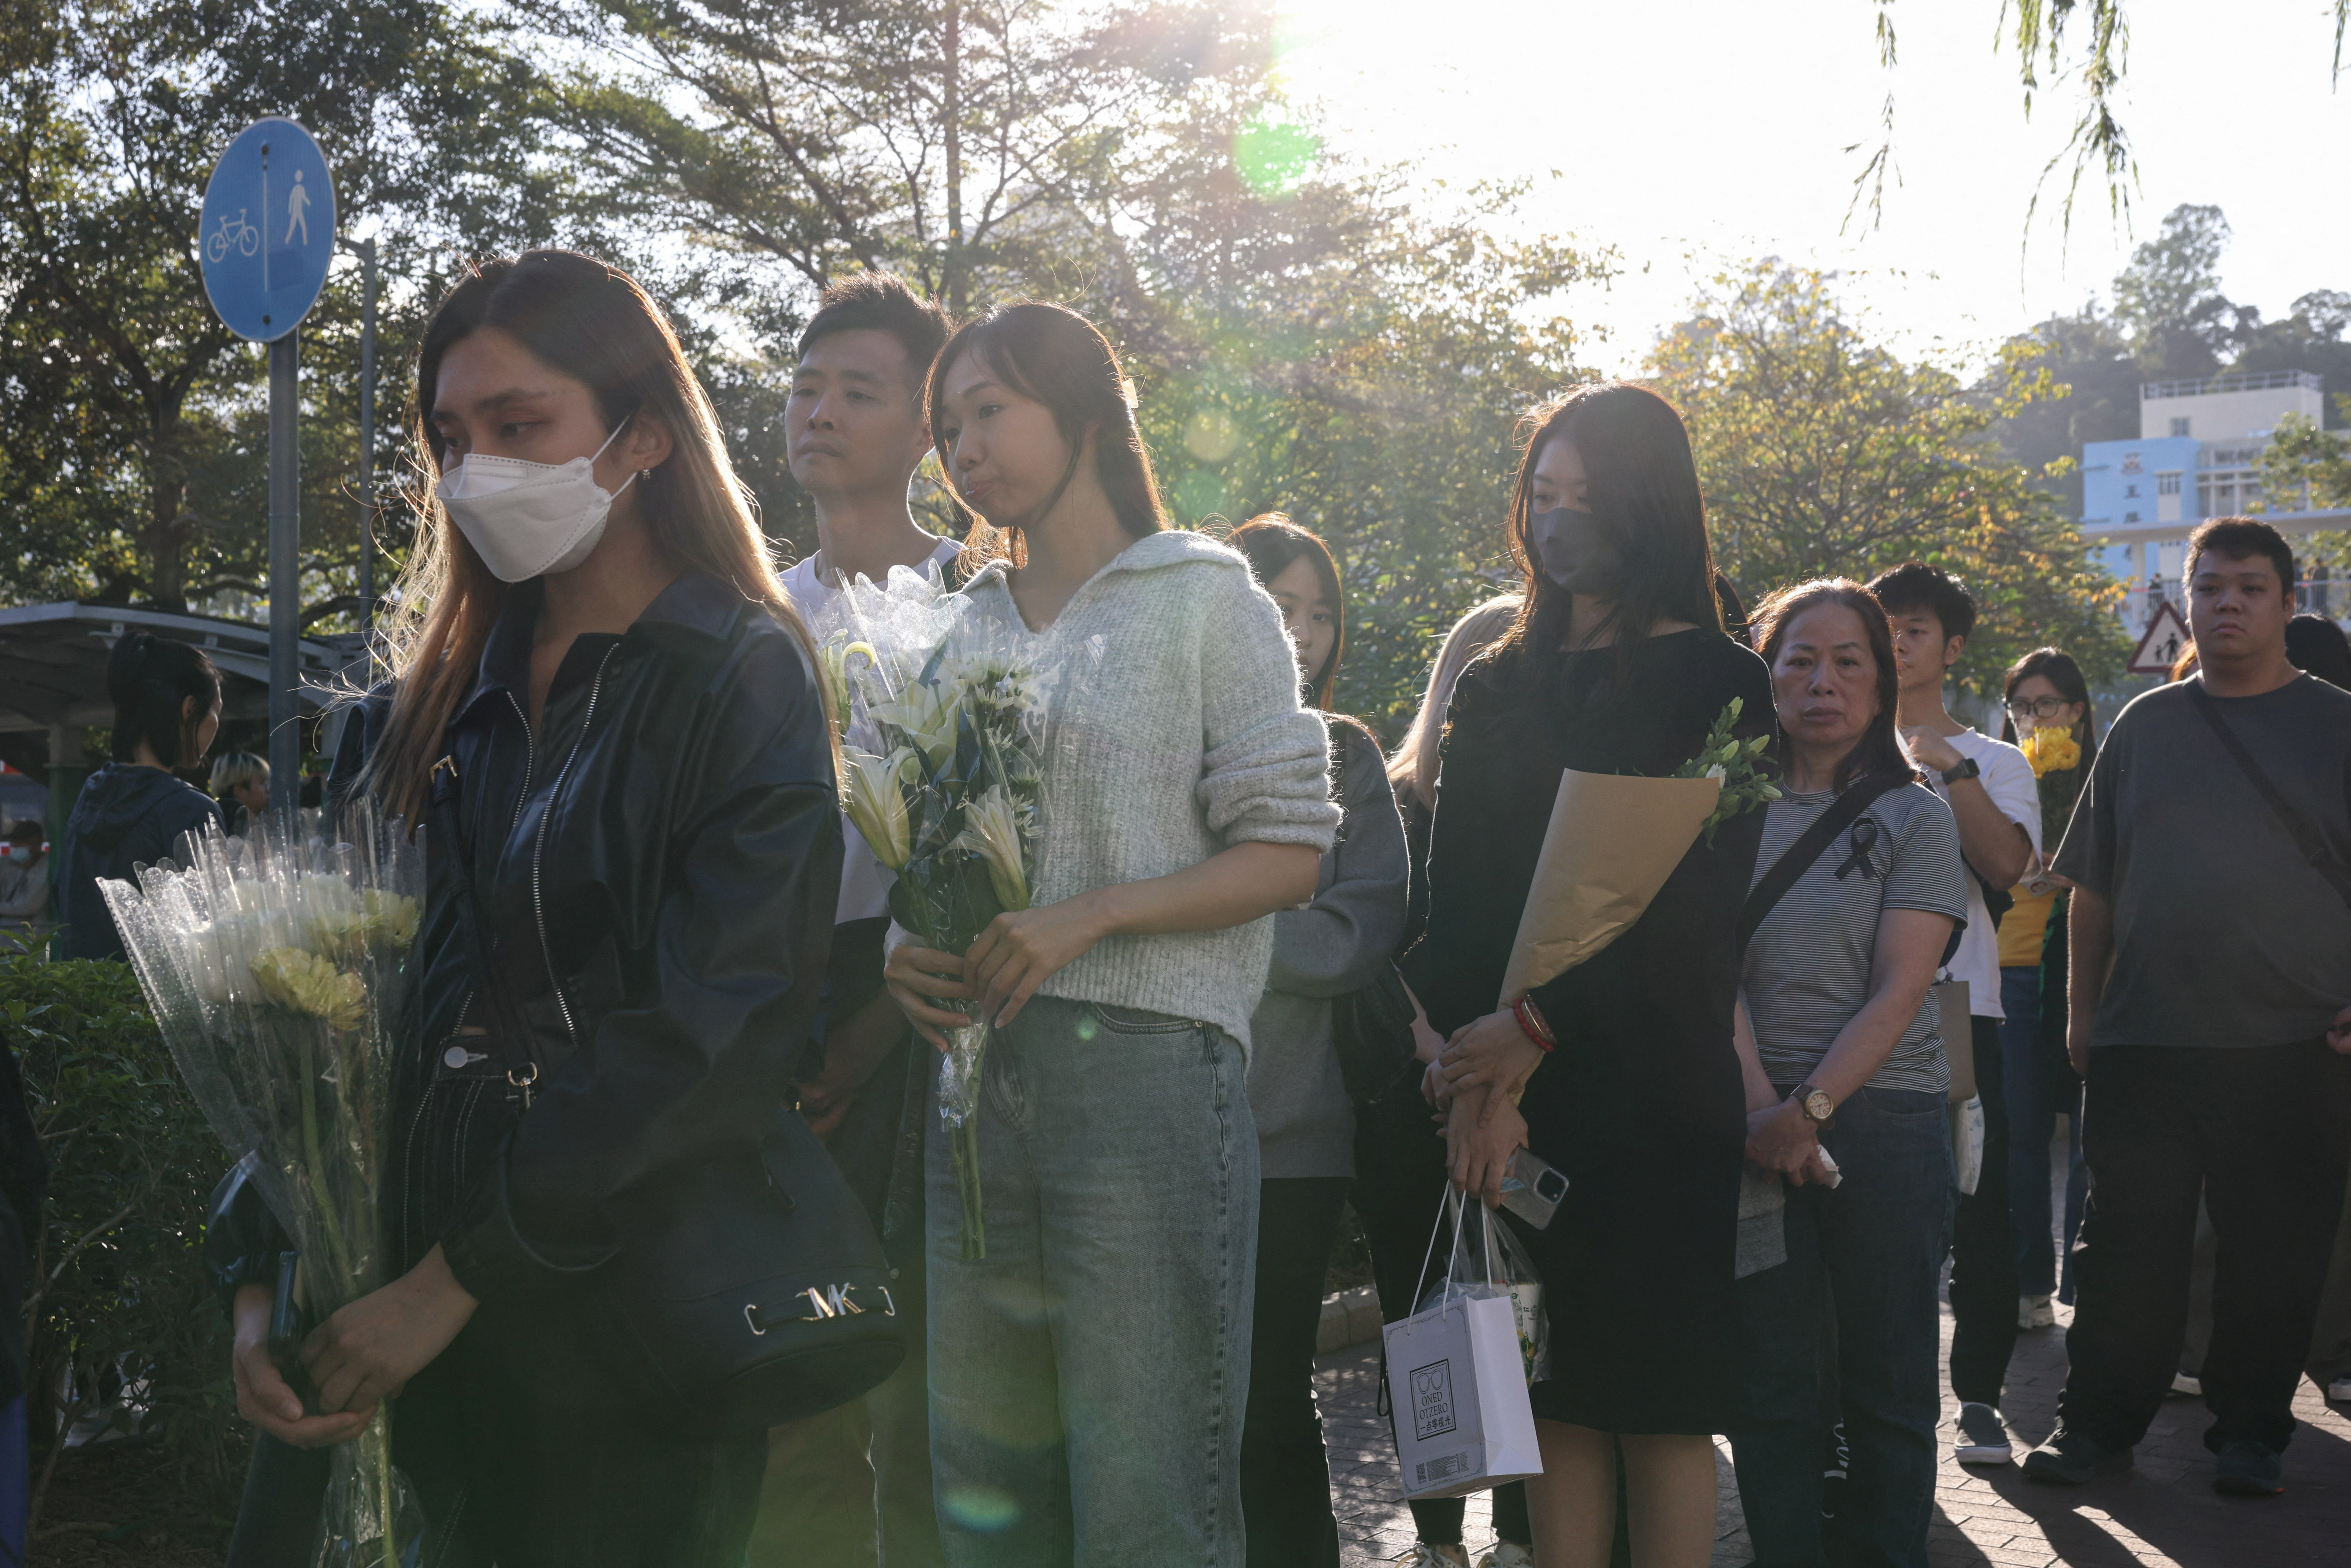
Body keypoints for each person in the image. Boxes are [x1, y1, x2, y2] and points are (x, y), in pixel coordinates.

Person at [208, 248, 842, 1565]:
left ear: (644, 436)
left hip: (622, 1340)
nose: (474, 469)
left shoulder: (741, 677)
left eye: (520, 425)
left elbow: (715, 1035)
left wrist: (456, 1282)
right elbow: (324, 1011)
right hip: (384, 1318)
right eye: (451, 437)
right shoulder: (421, 705)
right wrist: (263, 1277)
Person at [881, 302, 1337, 1566]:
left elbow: (1291, 850)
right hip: (976, 1082)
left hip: (1149, 1076)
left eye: (990, 410)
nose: (965, 449)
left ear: (1085, 411)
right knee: (989, 1498)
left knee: (1148, 1501)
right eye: (948, 428)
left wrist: (1092, 913)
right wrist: (899, 956)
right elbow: (919, 850)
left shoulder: (1206, 596)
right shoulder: (958, 625)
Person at [1418, 383, 1775, 1568]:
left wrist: (1536, 1023)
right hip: (1515, 1098)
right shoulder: (1495, 680)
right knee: (1556, 1396)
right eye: (1542, 493)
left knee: (1661, 1403)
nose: (1558, 520)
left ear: (1651, 505)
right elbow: (1454, 906)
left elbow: (1695, 918)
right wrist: (1476, 1079)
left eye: (1588, 496)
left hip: (1654, 1089)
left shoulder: (1723, 681)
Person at [2024, 518, 2351, 1497]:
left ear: (2288, 603)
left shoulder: (2336, 723)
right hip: (2146, 1038)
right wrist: (2083, 1015)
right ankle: (2094, 1425)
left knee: (2272, 1253)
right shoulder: (2145, 725)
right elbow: (2093, 885)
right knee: (2124, 1248)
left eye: (2249, 587)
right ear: (2187, 600)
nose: (2227, 604)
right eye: (2209, 588)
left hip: (2295, 1043)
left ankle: (2251, 1434)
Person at [763, 268, 957, 1568]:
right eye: (806, 387)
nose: (820, 413)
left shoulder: (978, 604)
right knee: (794, 1386)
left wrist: (873, 1032)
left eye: (859, 392)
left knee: (928, 1395)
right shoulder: (747, 611)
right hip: (765, 1018)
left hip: (932, 1021)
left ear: (927, 428)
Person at [1726, 578, 1966, 1568]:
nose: (1822, 682)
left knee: (1889, 1378)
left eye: (1848, 661)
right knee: (1769, 1380)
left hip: (1885, 1120)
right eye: (1800, 659)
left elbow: (1901, 990)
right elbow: (1708, 975)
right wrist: (1762, 1112)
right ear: (1768, 674)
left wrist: (1808, 1111)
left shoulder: (1918, 816)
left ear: (1881, 681)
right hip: (1750, 1126)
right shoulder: (1722, 810)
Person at [1223, 515, 1409, 1568]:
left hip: (1293, 1136)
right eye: (1277, 604)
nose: (1301, 631)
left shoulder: (1347, 753)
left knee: (1269, 1405)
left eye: (1319, 612)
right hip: (1156, 1126)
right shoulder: (1168, 740)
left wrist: (1209, 920)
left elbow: (1358, 930)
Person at [1366, 591, 1537, 1568]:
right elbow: (1369, 944)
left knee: (1522, 1311)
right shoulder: (1393, 804)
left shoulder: (1538, 810)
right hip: (1413, 1099)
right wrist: (1435, 1052)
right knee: (1419, 1320)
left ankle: (1520, 1535)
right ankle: (1437, 1540)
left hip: (1522, 1096)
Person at [1865, 562, 2039, 1468]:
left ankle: (1977, 1399)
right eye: (1884, 625)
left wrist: (1952, 767)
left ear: (1954, 645)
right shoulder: (1833, 745)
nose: (1897, 642)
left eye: (1916, 628)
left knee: (1979, 1212)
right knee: (1866, 1217)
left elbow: (2009, 866)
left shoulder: (1997, 761)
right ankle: (1867, 1409)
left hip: (1962, 1010)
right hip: (1848, 1011)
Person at [1994, 650, 2096, 1325]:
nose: (2032, 719)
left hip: (2087, 965)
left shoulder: (2106, 780)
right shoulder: (1995, 776)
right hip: (2015, 966)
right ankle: (2029, 1282)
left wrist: (2078, 868)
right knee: (2021, 1130)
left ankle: (2086, 1284)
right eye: (2021, 707)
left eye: (2046, 705)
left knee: (2092, 1137)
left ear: (2079, 712)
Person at [54, 633, 225, 961]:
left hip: (80, 990)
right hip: (151, 995)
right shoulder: (191, 810)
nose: (216, 725)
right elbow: (211, 940)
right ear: (190, 709)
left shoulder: (91, 793)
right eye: (216, 712)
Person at [0, 822, 47, 957]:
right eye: (14, 842)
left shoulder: (46, 868)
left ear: (36, 844)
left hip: (28, 944)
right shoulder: (6, 864)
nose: (15, 846)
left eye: (21, 843)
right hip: (3, 944)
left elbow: (29, 906)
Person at [210, 752, 271, 836]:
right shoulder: (237, 828)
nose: (268, 789)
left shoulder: (216, 816)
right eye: (262, 783)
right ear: (241, 790)